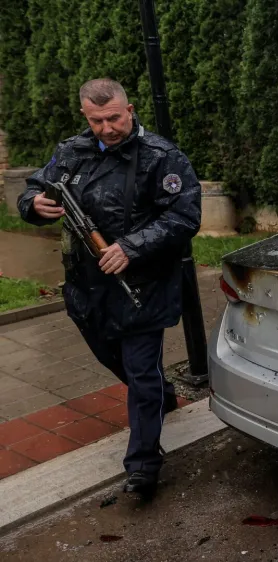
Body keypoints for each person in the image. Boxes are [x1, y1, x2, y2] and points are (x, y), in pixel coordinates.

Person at [18, 78, 201, 497]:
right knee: (112, 358)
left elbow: (184, 218)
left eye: (114, 117)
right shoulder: (71, 151)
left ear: (130, 109)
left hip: (142, 285)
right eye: (97, 120)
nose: (107, 128)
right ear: (85, 115)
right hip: (87, 288)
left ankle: (143, 465)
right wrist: (33, 204)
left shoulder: (162, 157)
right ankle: (160, 394)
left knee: (141, 372)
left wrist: (131, 247)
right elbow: (37, 186)